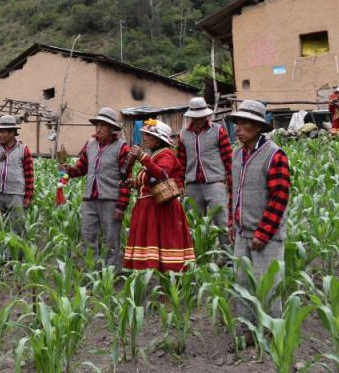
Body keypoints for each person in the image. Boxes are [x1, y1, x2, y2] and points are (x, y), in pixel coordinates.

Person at [227, 100, 291, 349]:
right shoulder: (237, 154)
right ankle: (247, 330)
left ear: (257, 127)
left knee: (268, 286)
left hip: (267, 235)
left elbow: (279, 197)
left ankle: (273, 332)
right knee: (242, 283)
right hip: (242, 233)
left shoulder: (275, 156)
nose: (238, 129)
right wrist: (231, 223)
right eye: (237, 124)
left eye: (243, 124)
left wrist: (263, 233)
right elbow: (234, 192)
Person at [123, 119, 195, 272]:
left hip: (161, 209)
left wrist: (142, 157)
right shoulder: (154, 155)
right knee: (153, 244)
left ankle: (171, 284)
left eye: (149, 135)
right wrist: (134, 182)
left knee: (165, 242)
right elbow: (150, 180)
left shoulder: (166, 154)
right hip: (149, 208)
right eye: (145, 135)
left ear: (158, 139)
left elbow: (162, 175)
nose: (145, 138)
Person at [63, 107, 131, 269]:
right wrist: (68, 170)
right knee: (88, 236)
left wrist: (121, 206)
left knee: (111, 238)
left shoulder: (122, 148)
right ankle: (91, 270)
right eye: (97, 125)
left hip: (111, 201)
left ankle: (111, 273)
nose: (99, 129)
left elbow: (126, 179)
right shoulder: (90, 145)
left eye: (103, 125)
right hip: (89, 200)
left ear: (112, 128)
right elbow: (81, 168)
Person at [177, 97, 233, 250]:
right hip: (193, 185)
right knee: (194, 223)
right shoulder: (183, 135)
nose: (200, 119)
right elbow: (180, 162)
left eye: (202, 116)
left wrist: (231, 181)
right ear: (191, 117)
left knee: (221, 221)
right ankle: (198, 258)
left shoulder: (218, 131)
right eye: (196, 117)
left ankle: (228, 258)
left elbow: (229, 158)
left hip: (215, 182)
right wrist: (180, 184)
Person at [0, 115, 34, 237]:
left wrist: (28, 197)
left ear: (12, 133)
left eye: (2, 132)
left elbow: (29, 175)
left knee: (17, 227)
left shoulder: (23, 149)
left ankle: (15, 256)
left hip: (15, 194)